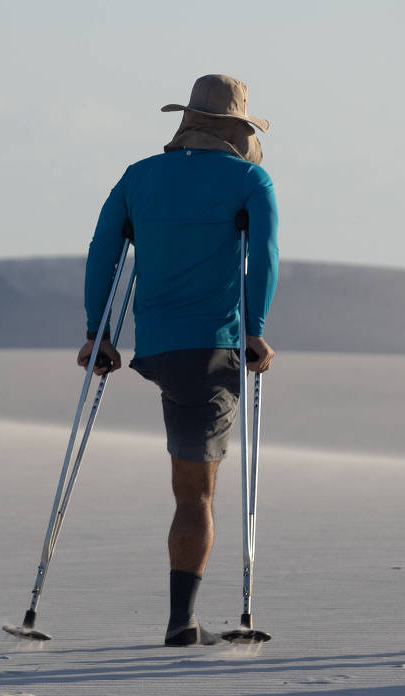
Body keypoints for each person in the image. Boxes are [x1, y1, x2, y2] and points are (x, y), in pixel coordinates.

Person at [77, 74, 279, 646]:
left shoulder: (138, 176)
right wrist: (256, 332)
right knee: (195, 494)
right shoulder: (249, 179)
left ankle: (183, 618)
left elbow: (104, 254)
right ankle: (180, 624)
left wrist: (98, 332)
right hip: (213, 349)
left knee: (190, 486)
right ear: (238, 129)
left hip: (158, 347)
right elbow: (262, 258)